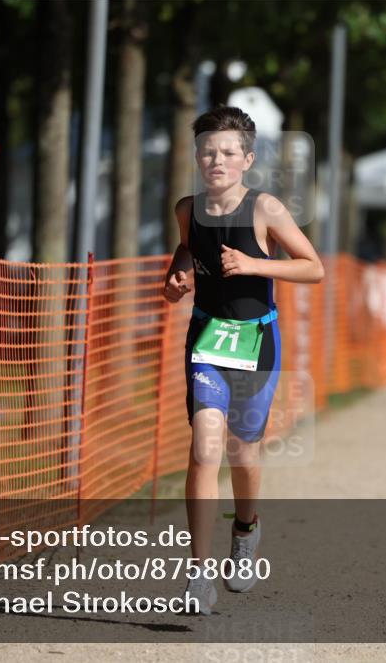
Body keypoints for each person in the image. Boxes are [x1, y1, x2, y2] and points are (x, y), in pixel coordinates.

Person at [161, 106, 324, 614]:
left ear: (247, 160)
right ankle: (198, 576)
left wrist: (254, 263)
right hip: (207, 339)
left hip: (256, 340)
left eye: (229, 152)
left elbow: (313, 268)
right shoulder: (187, 208)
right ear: (197, 156)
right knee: (205, 448)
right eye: (208, 150)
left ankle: (247, 528)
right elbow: (187, 250)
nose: (217, 159)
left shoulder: (266, 209)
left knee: (242, 453)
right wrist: (177, 274)